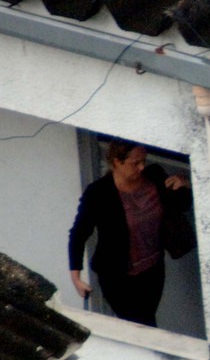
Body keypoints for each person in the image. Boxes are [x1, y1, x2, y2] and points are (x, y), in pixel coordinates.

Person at [68, 139, 192, 327]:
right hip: (118, 276)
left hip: (153, 269)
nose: (141, 167)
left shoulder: (155, 176)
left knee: (147, 319)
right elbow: (79, 232)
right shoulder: (99, 193)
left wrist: (185, 184)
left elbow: (182, 205)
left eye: (144, 161)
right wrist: (76, 276)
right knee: (140, 325)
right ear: (117, 162)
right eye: (135, 163)